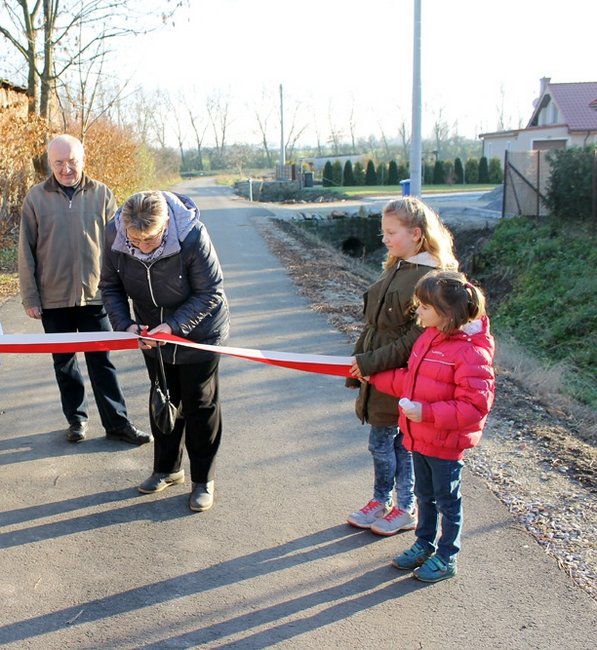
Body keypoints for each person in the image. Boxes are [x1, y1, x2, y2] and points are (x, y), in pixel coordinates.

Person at [100, 190, 230, 513]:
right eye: (136, 241)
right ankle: (168, 469)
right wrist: (126, 326)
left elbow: (211, 291)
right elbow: (110, 286)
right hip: (150, 333)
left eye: (151, 240)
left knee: (199, 403)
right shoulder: (114, 235)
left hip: (198, 332)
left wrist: (173, 327)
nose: (143, 248)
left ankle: (203, 479)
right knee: (163, 397)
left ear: (167, 224)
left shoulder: (192, 235)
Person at [18, 134, 151, 445]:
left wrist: (124, 291)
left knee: (102, 361)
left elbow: (120, 247)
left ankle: (118, 424)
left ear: (83, 159)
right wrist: (30, 297)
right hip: (52, 299)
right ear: (50, 164)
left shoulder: (102, 194)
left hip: (96, 295)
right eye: (59, 163)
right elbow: (26, 250)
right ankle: (76, 420)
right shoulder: (35, 199)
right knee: (64, 364)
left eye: (72, 162)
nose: (66, 169)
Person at [367, 270, 495, 582]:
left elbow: (474, 406)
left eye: (424, 307)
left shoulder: (471, 353)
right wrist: (373, 376)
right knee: (425, 497)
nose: (418, 311)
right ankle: (424, 544)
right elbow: (409, 381)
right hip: (420, 440)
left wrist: (426, 412)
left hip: (446, 446)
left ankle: (447, 555)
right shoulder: (428, 338)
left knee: (447, 501)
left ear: (446, 313)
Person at [346, 197, 458, 536]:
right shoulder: (397, 265)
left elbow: (412, 340)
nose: (386, 240)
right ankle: (386, 503)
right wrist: (360, 363)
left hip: (402, 377)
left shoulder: (431, 279)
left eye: (391, 233)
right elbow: (376, 327)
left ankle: (399, 506)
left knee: (388, 443)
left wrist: (368, 363)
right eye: (384, 233)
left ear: (417, 234)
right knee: (393, 443)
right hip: (378, 372)